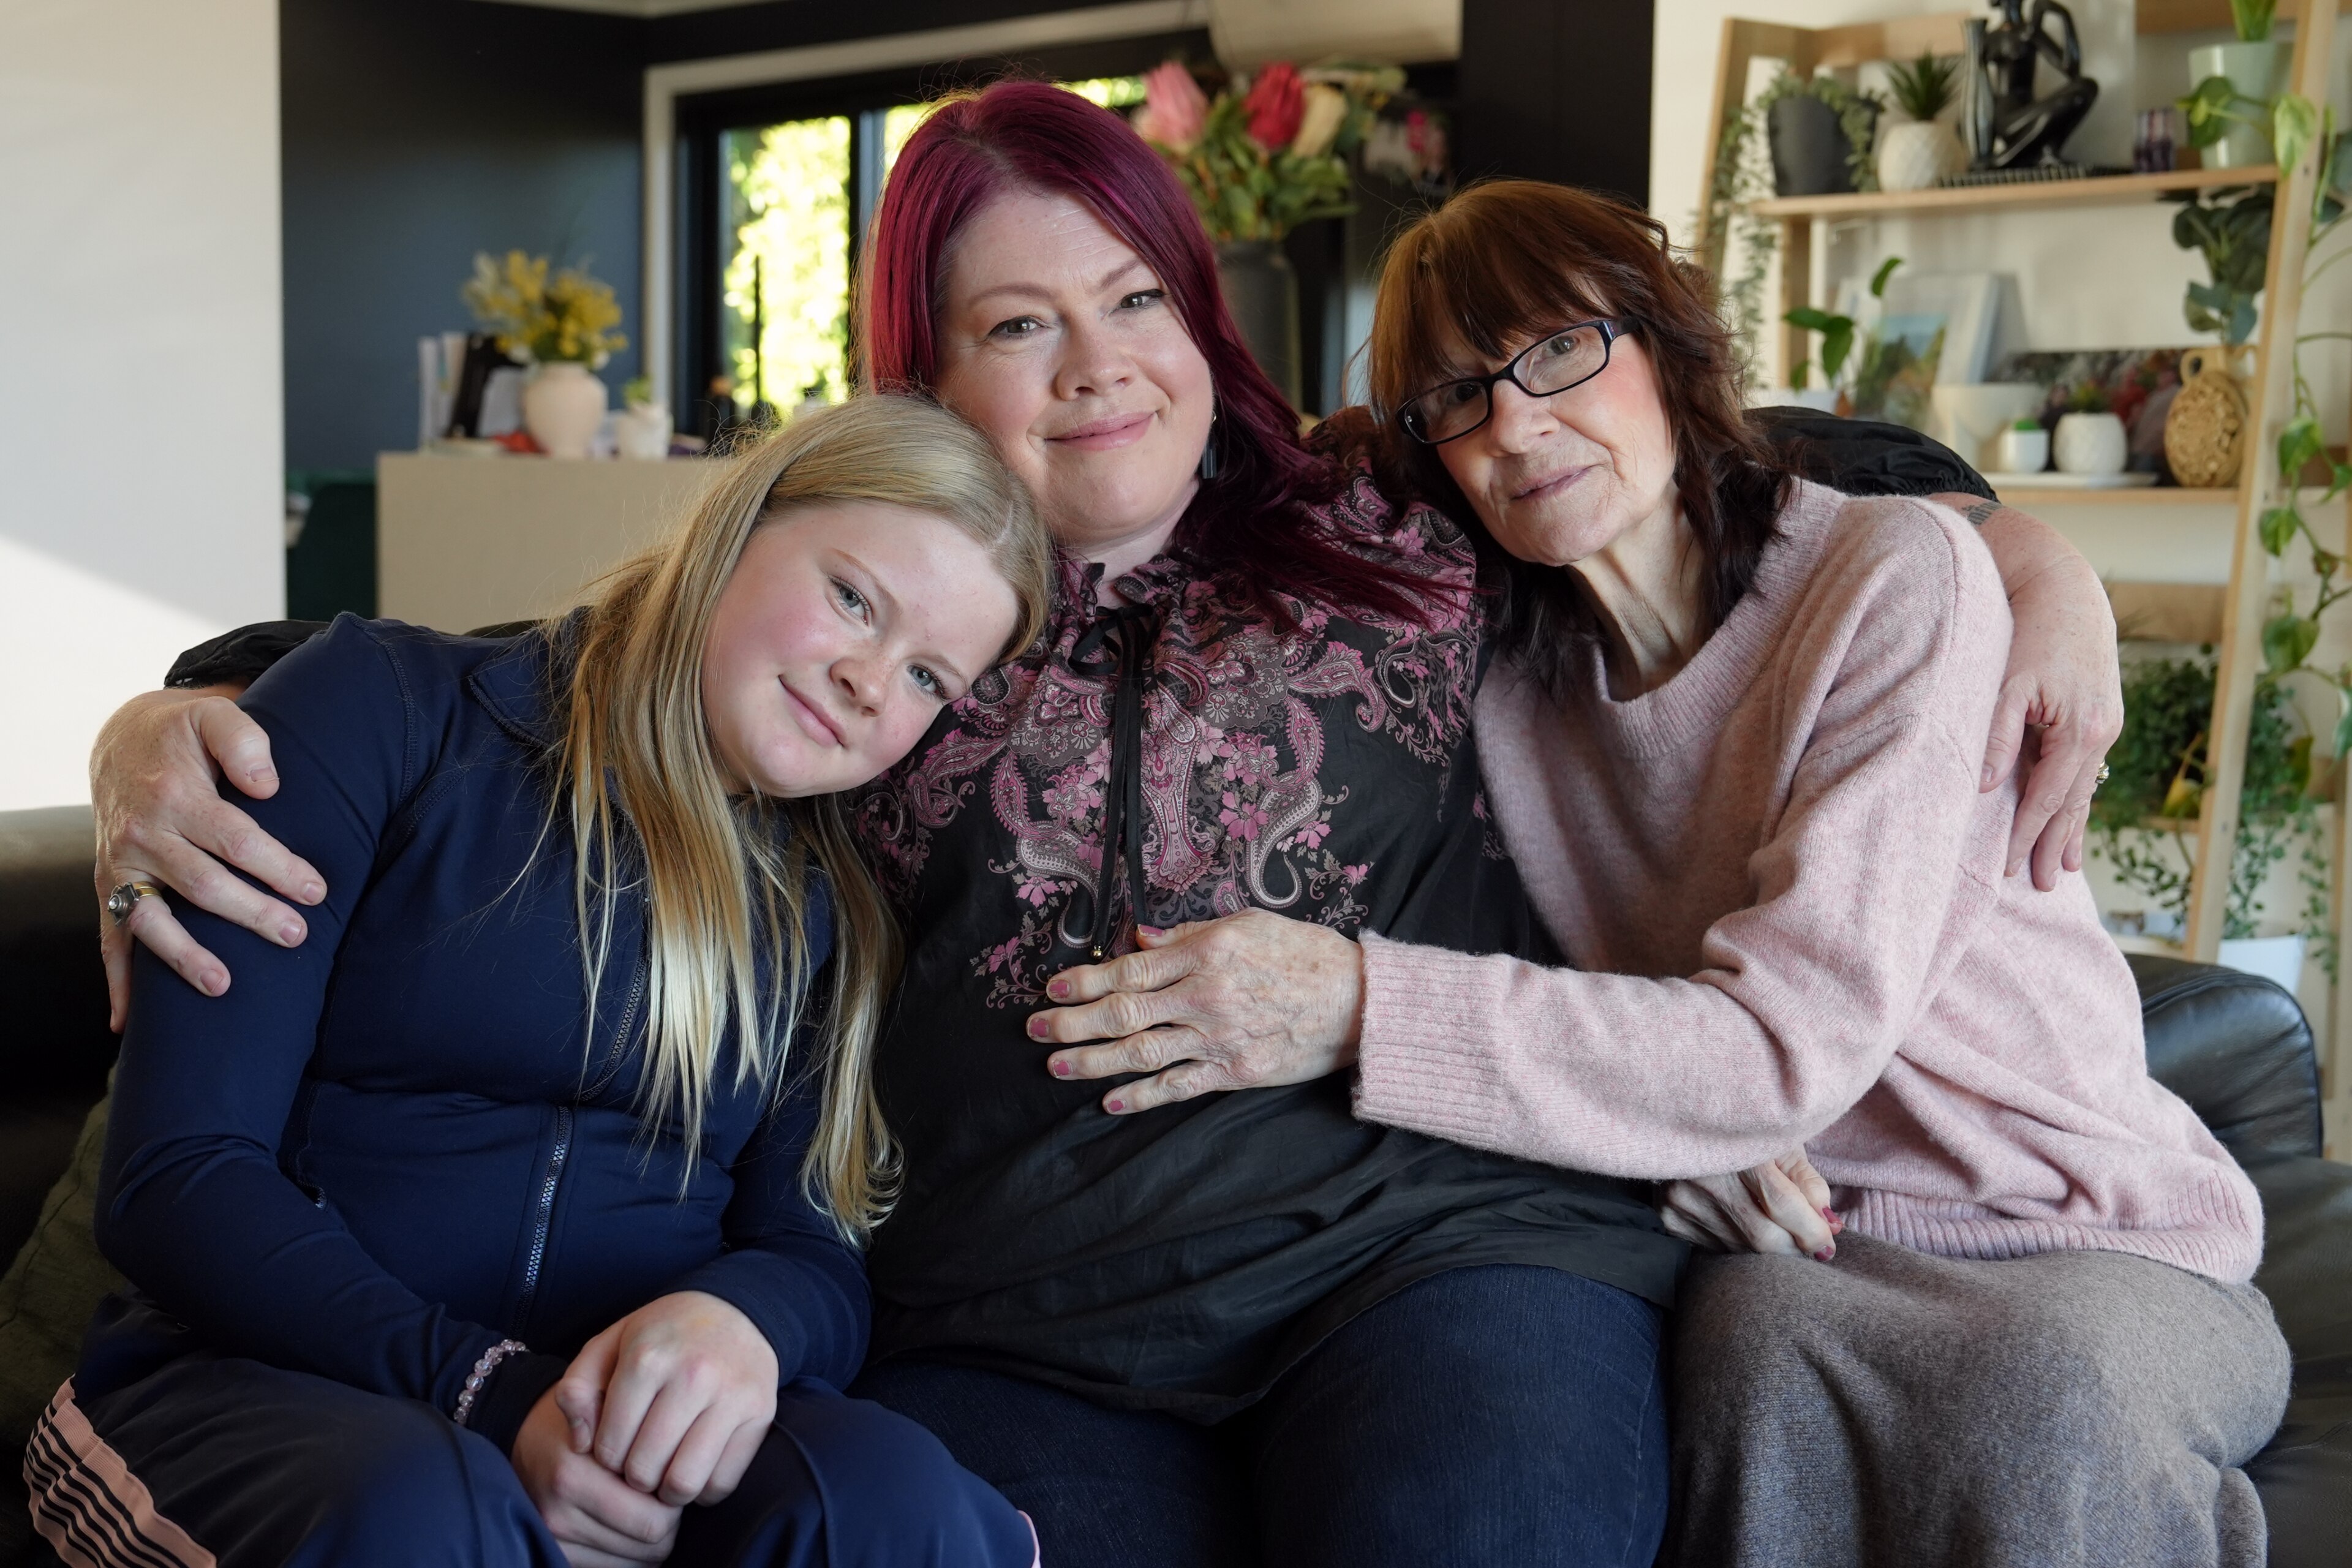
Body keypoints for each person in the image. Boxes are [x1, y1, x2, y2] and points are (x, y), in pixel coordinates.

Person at [87, 88, 2128, 1567]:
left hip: (1443, 1251)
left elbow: (1709, 463)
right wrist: (171, 717)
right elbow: (535, 667)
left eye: (1133, 297)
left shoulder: (1383, 511)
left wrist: (2018, 544)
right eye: (1014, 326)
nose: (1099, 371)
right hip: (1030, 1313)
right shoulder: (867, 617)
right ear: (930, 375)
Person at [1027, 181, 2292, 1566]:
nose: (1517, 422)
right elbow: (1258, 472)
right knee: (1739, 1368)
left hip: (2082, 1225)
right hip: (1805, 1238)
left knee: (2044, 1406)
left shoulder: (1889, 583)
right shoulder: (1502, 674)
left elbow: (1775, 1049)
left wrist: (1353, 1003)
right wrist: (1672, 1153)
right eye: (1458, 397)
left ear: (1667, 347)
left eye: (1562, 349)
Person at [31, 398, 1053, 1567]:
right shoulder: (384, 710)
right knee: (431, 1516)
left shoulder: (826, 904)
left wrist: (749, 1323)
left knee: (893, 1508)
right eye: (853, 598)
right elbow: (176, 1176)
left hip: (602, 1427)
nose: (874, 681)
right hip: (256, 1390)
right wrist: (498, 1400)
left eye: (928, 675)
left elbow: (812, 1248)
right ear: (736, 526)